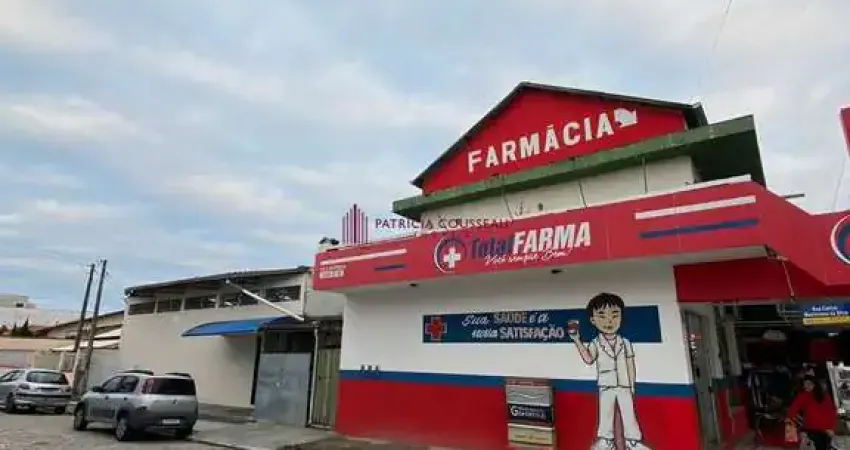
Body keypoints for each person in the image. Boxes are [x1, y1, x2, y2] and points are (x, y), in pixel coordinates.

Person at [570, 292, 651, 450]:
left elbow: (630, 364)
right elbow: (588, 359)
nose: (609, 321)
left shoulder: (625, 342)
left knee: (628, 412)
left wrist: (632, 384)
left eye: (615, 315)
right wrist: (576, 340)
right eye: (602, 316)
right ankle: (606, 441)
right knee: (605, 413)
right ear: (593, 320)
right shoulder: (595, 343)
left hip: (624, 383)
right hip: (606, 384)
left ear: (621, 317)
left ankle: (633, 441)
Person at [786, 376, 837, 450]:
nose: (805, 386)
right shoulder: (804, 395)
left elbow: (831, 412)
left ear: (815, 385)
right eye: (804, 384)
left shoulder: (822, 396)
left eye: (808, 384)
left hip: (819, 429)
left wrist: (831, 428)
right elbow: (793, 409)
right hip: (817, 429)